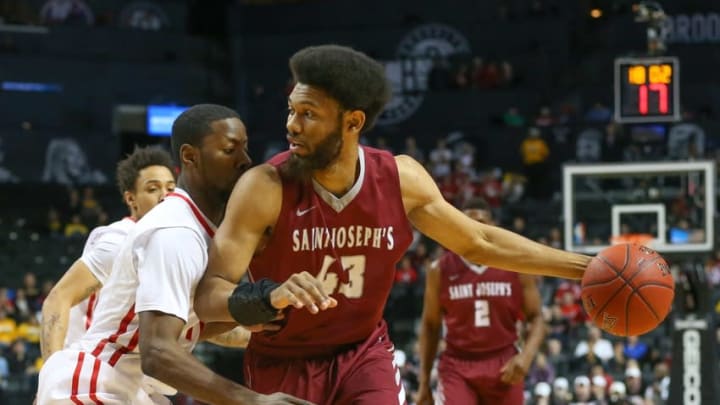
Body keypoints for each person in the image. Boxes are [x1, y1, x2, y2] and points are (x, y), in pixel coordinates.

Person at [194, 45, 590, 404]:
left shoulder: (400, 180)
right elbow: (207, 295)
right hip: (282, 361)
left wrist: (587, 269)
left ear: (352, 122)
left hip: (362, 354)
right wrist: (266, 295)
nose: (292, 126)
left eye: (309, 114)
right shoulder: (264, 187)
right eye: (291, 111)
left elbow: (479, 241)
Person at [37, 104, 311, 405]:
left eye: (245, 149)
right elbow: (156, 352)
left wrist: (249, 315)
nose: (245, 161)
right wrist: (252, 400)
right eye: (230, 150)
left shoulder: (204, 231)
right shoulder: (174, 232)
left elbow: (183, 328)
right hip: (94, 383)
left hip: (131, 389)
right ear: (190, 156)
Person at [40, 146, 177, 361]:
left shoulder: (165, 247)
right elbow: (56, 300)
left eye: (171, 189)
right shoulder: (120, 241)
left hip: (124, 375)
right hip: (85, 368)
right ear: (131, 199)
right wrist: (51, 375)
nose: (165, 197)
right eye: (153, 189)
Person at [416, 198, 546, 405]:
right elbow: (430, 325)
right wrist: (424, 382)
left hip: (504, 362)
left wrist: (526, 356)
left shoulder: (516, 266)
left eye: (481, 222)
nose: (474, 229)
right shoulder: (439, 270)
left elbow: (537, 317)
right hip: (458, 365)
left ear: (493, 227)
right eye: (467, 223)